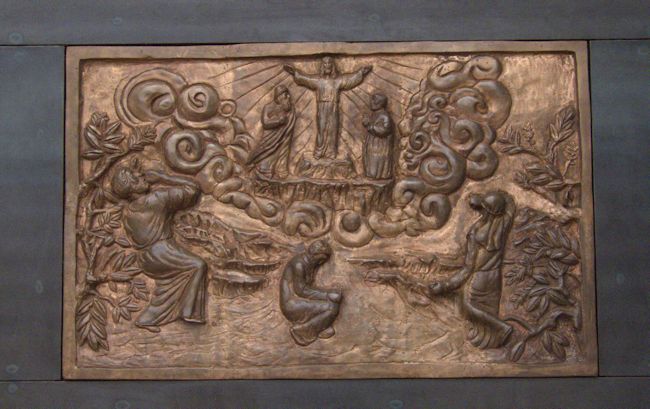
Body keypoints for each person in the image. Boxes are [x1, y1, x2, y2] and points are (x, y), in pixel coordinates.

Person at [367, 191, 515, 349]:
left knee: (467, 308)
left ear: (486, 210)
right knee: (487, 310)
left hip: (478, 280)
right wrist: (486, 201)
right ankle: (493, 338)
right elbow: (510, 204)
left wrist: (444, 286)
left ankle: (502, 327)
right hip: (494, 279)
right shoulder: (503, 225)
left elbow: (467, 269)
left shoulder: (475, 234)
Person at [111, 165, 207, 333]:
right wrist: (163, 177)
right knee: (197, 265)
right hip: (162, 252)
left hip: (146, 259)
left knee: (170, 285)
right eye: (135, 176)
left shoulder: (129, 212)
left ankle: (148, 319)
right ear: (131, 186)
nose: (140, 174)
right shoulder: (156, 199)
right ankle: (188, 312)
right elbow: (193, 190)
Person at [284, 56, 372, 159]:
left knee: (333, 129)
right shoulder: (318, 80)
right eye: (325, 64)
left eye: (329, 63)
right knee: (322, 128)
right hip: (322, 107)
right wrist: (295, 73)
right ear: (322, 66)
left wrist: (361, 73)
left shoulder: (337, 80)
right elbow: (306, 79)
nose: (327, 66)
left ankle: (331, 152)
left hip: (333, 107)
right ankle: (319, 151)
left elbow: (349, 80)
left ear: (332, 66)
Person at [279, 240, 343, 346]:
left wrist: (329, 294)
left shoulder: (309, 264)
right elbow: (301, 290)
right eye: (320, 259)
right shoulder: (299, 264)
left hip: (300, 301)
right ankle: (301, 331)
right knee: (332, 308)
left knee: (333, 306)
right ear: (314, 254)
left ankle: (317, 326)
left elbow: (307, 288)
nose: (320, 263)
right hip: (291, 304)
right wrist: (327, 295)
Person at [246, 85, 296, 178]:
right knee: (264, 159)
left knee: (282, 151)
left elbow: (288, 131)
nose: (288, 97)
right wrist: (279, 121)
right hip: (268, 140)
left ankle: (280, 170)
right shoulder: (268, 107)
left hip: (283, 141)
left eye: (288, 94)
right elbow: (265, 123)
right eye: (285, 95)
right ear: (279, 97)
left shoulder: (290, 110)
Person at [362, 93, 395, 179]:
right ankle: (371, 174)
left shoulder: (384, 116)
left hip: (380, 144)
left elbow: (384, 130)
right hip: (372, 142)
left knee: (377, 159)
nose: (371, 102)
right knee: (371, 158)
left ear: (379, 103)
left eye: (374, 101)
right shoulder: (374, 114)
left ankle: (378, 175)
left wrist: (369, 125)